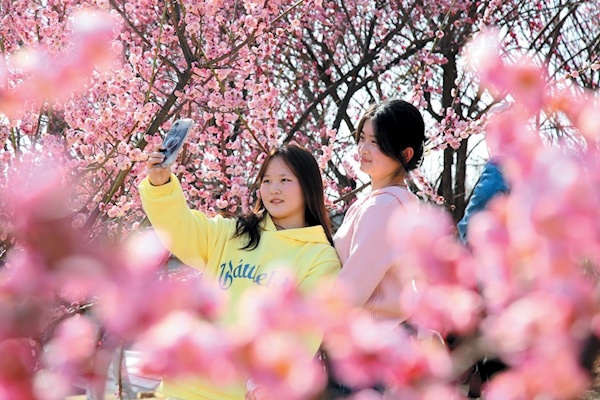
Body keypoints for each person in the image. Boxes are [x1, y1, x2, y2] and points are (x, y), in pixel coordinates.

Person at [139, 142, 341, 400]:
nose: (273, 189)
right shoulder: (233, 233)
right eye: (266, 181)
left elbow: (304, 332)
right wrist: (161, 186)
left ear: (308, 186)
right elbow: (181, 229)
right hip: (180, 385)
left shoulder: (320, 257)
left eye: (285, 180)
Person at [327, 99, 426, 394]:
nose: (364, 149)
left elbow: (349, 292)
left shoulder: (383, 207)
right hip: (383, 346)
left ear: (405, 154)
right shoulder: (391, 202)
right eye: (363, 138)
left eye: (377, 143)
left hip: (366, 350)